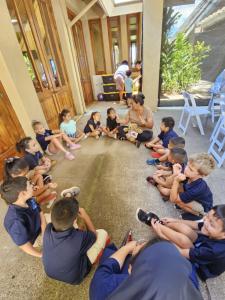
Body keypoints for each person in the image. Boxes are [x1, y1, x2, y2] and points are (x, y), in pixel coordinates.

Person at [90, 239, 202, 300]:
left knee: (109, 254)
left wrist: (127, 247)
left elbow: (105, 270)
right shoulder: (190, 282)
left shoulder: (108, 288)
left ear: (130, 270)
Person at [136, 205, 225, 281]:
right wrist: (174, 220)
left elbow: (181, 252)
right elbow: (196, 225)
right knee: (183, 227)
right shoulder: (210, 228)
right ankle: (160, 224)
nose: (205, 221)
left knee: (184, 240)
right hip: (204, 244)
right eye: (207, 216)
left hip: (202, 267)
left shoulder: (214, 250)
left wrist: (162, 236)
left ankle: (156, 225)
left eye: (211, 224)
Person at [42, 195, 109, 284]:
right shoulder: (79, 238)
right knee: (102, 233)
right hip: (75, 278)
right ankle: (93, 260)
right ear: (74, 221)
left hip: (49, 272)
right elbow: (94, 234)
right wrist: (85, 216)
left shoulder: (48, 229)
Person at [0, 177, 46, 257]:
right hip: (34, 238)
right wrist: (42, 255)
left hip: (40, 227)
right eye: (30, 184)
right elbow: (24, 245)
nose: (33, 185)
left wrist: (45, 234)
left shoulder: (29, 199)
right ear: (23, 193)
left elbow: (41, 213)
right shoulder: (15, 220)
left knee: (61, 218)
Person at [170, 153, 215, 220]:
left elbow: (173, 199)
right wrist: (175, 174)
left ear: (201, 175)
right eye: (187, 165)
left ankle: (199, 215)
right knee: (179, 194)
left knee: (179, 202)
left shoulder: (198, 188)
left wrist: (176, 181)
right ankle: (187, 206)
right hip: (196, 198)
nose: (186, 169)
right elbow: (169, 182)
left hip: (204, 207)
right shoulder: (189, 174)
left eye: (191, 169)